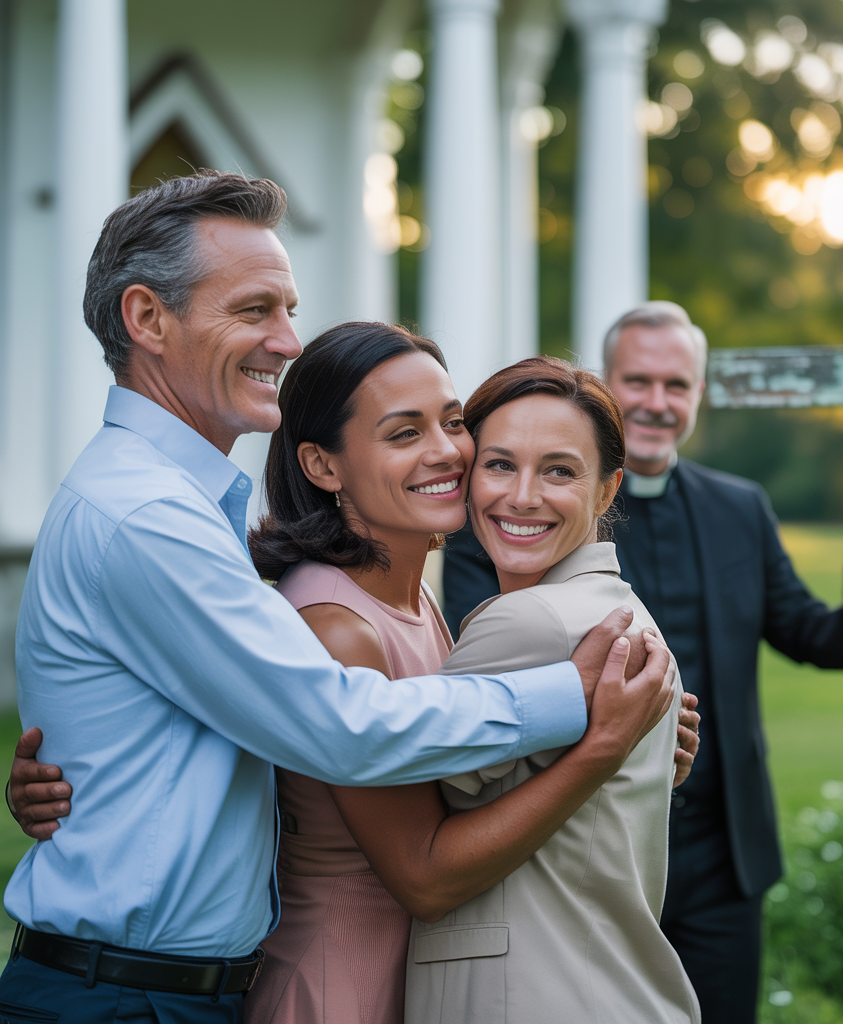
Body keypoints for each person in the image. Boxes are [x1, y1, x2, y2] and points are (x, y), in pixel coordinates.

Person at [0, 172, 670, 1024]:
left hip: (165, 987)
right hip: (131, 997)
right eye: (255, 310)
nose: (287, 340)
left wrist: (637, 733)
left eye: (454, 422)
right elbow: (342, 727)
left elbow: (236, 727)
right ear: (147, 319)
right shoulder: (146, 517)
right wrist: (580, 709)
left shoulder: (203, 510)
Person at [442, 302, 843, 1024]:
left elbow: (801, 630)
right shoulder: (525, 512)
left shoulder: (741, 506)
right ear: (607, 388)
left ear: (698, 395)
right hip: (578, 845)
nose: (655, 402)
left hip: (719, 852)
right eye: (637, 381)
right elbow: (484, 652)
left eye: (676, 385)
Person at [239, 323, 689, 1023]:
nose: (445, 451)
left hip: (429, 973)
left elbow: (473, 755)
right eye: (404, 433)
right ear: (324, 467)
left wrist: (641, 747)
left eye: (451, 423)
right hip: (346, 982)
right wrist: (599, 751)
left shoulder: (414, 596)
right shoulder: (338, 625)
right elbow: (423, 866)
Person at [404, 356, 700, 1024]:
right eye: (500, 464)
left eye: (559, 470)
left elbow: (400, 781)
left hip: (533, 994)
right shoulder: (616, 608)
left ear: (606, 489)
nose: (523, 496)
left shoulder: (528, 621)